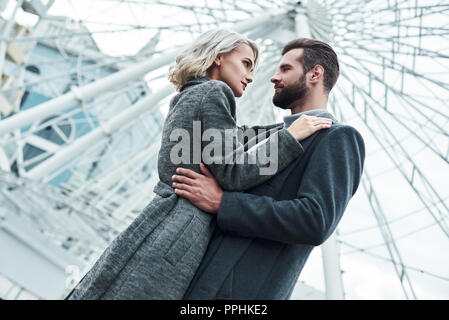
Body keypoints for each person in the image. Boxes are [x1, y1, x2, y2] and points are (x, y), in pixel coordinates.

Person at [65, 30, 332, 300]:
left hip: (165, 219)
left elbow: (233, 137)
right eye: (246, 64)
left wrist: (281, 129)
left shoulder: (195, 94)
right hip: (180, 229)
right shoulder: (216, 92)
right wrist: (288, 138)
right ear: (218, 58)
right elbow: (233, 173)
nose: (251, 76)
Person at [173, 38, 366, 299]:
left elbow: (314, 220)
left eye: (285, 69)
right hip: (196, 279)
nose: (273, 78)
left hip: (240, 292)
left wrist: (223, 203)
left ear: (315, 74)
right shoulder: (268, 136)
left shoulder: (338, 138)